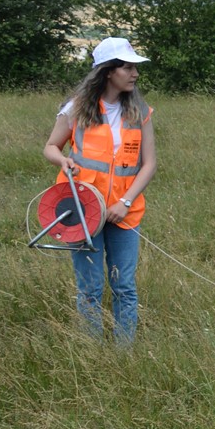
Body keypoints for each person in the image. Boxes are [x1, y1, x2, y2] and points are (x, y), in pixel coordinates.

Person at [41, 37, 157, 343]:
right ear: (108, 72)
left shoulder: (141, 112)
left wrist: (125, 202)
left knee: (124, 287)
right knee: (90, 289)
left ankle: (123, 354)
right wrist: (63, 160)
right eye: (128, 67)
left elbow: (149, 165)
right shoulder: (77, 109)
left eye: (135, 67)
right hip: (81, 211)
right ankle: (92, 352)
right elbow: (51, 147)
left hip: (124, 214)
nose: (135, 74)